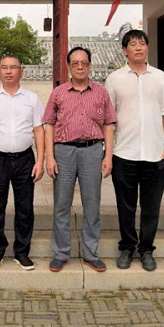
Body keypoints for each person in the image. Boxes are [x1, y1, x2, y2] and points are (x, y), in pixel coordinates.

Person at [105, 30, 164, 272]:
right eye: (133, 44)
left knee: (151, 206)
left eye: (142, 43)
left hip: (155, 153)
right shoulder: (114, 79)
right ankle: (127, 247)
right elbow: (108, 119)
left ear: (147, 47)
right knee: (125, 206)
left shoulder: (160, 77)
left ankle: (146, 249)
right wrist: (108, 153)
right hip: (124, 153)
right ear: (124, 50)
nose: (138, 47)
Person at [44, 46, 117, 273]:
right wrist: (49, 156)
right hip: (63, 151)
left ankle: (90, 253)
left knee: (92, 204)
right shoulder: (58, 93)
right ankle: (61, 252)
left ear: (90, 65)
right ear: (68, 66)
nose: (79, 67)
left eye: (84, 63)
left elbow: (109, 124)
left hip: (92, 150)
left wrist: (108, 156)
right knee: (61, 204)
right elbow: (48, 124)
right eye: (75, 63)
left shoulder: (101, 92)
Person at [0, 56, 45, 271]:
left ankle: (22, 252)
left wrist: (40, 160)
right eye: (4, 67)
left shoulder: (32, 99)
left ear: (21, 71)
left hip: (25, 159)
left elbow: (38, 130)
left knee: (25, 207)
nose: (8, 71)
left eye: (13, 67)